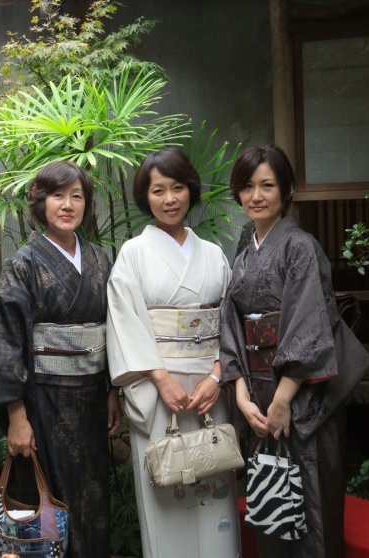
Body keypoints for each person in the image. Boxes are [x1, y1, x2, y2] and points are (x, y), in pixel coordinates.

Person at [220, 145, 369, 558]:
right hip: (259, 397)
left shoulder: (300, 246)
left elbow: (310, 324)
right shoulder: (243, 253)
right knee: (272, 506)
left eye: (267, 185)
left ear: (287, 190)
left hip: (303, 398)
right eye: (247, 186)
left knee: (311, 507)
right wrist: (241, 396)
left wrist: (283, 400)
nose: (256, 196)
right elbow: (231, 324)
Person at [0, 161, 122, 558]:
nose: (68, 205)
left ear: (86, 204)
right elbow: (6, 341)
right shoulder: (23, 263)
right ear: (41, 202)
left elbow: (113, 331)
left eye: (77, 196)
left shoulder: (100, 259)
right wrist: (16, 416)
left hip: (91, 398)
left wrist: (112, 390)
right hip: (42, 401)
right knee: (46, 500)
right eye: (58, 195)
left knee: (92, 499)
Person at [106, 148, 241, 558]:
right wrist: (161, 380)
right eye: (158, 190)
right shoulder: (133, 253)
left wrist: (217, 374)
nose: (169, 199)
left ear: (190, 190)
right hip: (157, 388)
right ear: (145, 197)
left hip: (209, 390)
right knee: (166, 485)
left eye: (177, 188)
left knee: (214, 480)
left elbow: (230, 321)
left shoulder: (213, 254)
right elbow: (124, 320)